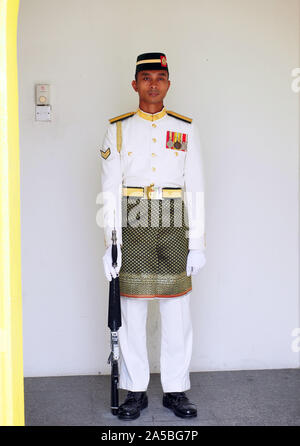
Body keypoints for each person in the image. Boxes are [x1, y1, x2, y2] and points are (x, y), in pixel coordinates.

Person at [100, 52, 206, 421]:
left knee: (176, 311)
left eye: (160, 77)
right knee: (132, 309)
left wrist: (198, 244)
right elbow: (109, 190)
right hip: (132, 220)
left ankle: (176, 390)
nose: (153, 84)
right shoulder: (118, 129)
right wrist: (110, 243)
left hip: (175, 220)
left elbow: (196, 187)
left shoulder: (185, 128)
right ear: (135, 84)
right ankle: (136, 390)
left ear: (168, 83)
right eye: (146, 78)